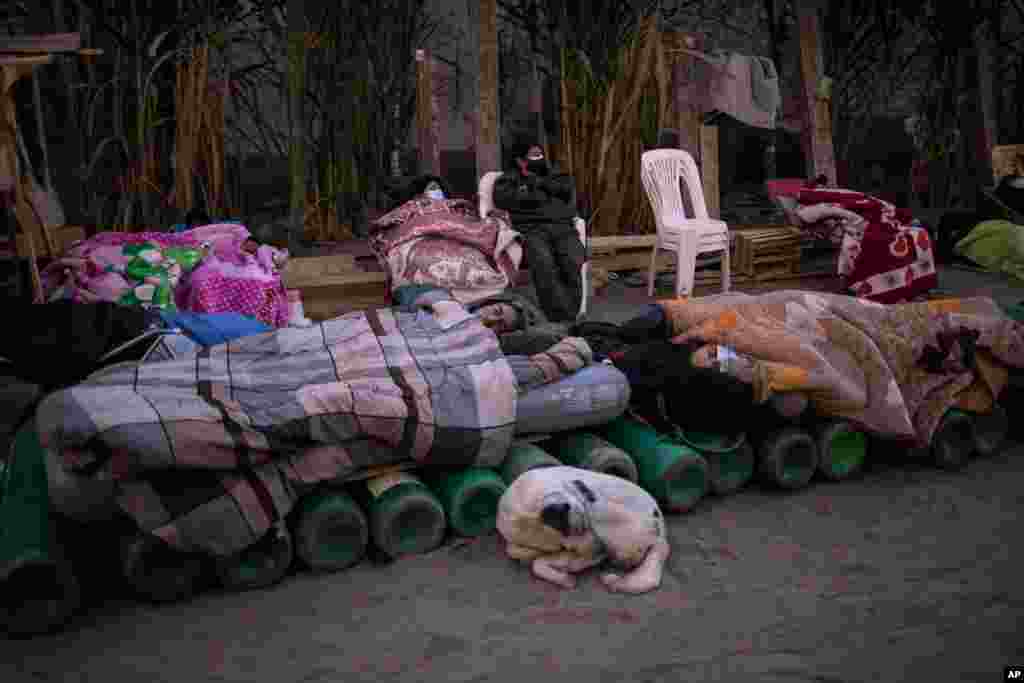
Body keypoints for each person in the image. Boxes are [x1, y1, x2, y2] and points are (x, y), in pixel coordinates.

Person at [493, 142, 585, 322]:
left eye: (539, 154)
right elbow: (505, 199)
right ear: (520, 160)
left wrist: (539, 183)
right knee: (544, 262)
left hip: (562, 227)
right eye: (532, 155)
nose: (538, 158)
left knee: (573, 259)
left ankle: (571, 312)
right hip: (532, 229)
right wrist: (536, 192)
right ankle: (559, 317)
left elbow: (565, 190)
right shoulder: (509, 179)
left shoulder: (555, 174)